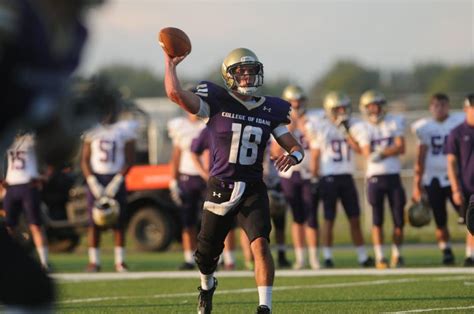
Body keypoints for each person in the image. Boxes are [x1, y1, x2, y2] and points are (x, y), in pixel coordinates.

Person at [164, 47, 304, 314]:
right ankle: (207, 286)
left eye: (251, 71)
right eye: (241, 72)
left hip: (253, 187)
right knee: (206, 256)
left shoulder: (270, 109)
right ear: (229, 76)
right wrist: (170, 65)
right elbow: (174, 94)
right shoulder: (216, 102)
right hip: (221, 186)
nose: (248, 77)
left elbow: (294, 146)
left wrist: (295, 156)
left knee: (260, 243)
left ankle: (265, 306)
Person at [0, 0, 101, 311]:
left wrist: (74, 123)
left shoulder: (76, 36)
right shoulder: (13, 19)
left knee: (34, 292)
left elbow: (53, 149)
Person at [306, 91, 374, 268]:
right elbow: (315, 154)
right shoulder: (321, 127)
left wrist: (346, 131)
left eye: (344, 107)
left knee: (354, 218)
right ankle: (327, 256)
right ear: (330, 110)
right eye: (338, 108)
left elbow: (360, 150)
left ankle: (362, 256)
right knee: (329, 218)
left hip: (347, 176)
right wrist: (314, 177)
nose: (343, 111)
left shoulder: (354, 126)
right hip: (328, 178)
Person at [81, 79, 136, 273]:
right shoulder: (92, 129)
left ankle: (120, 262)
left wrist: (118, 179)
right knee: (93, 222)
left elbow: (130, 159)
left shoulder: (124, 129)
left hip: (116, 178)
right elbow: (84, 160)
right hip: (97, 178)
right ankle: (94, 262)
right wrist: (91, 180)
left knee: (118, 222)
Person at [351, 90, 406, 269]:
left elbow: (401, 147)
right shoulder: (362, 127)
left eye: (377, 105)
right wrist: (387, 151)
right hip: (375, 178)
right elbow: (367, 153)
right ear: (365, 108)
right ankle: (380, 256)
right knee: (377, 220)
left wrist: (382, 152)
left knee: (399, 219)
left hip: (393, 175)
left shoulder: (393, 122)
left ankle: (397, 254)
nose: (374, 109)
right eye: (370, 106)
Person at [411, 93, 465, 265]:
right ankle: (446, 250)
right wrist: (416, 184)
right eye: (436, 105)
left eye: (443, 105)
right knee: (440, 220)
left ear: (448, 106)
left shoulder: (458, 122)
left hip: (455, 178)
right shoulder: (424, 127)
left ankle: (470, 253)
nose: (439, 109)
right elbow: (420, 157)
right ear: (430, 108)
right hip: (433, 179)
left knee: (468, 216)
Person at [271, 85, 320, 270]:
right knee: (297, 217)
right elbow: (275, 151)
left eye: (299, 101)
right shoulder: (280, 122)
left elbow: (317, 147)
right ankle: (300, 258)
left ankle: (314, 258)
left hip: (307, 173)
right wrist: (291, 126)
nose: (297, 105)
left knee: (312, 216)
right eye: (293, 101)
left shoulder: (313, 120)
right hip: (289, 174)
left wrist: (304, 127)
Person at [191, 126, 252, 270]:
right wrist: (204, 174)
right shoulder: (211, 127)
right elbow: (194, 151)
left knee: (240, 224)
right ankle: (216, 259)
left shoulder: (244, 124)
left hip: (243, 180)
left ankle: (234, 259)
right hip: (220, 182)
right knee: (215, 223)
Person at [2, 131, 49, 271]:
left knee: (35, 225)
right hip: (11, 186)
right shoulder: (8, 137)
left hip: (28, 185)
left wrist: (44, 176)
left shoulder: (33, 139)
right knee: (9, 227)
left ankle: (44, 263)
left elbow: (50, 157)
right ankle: (10, 261)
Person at [167, 112, 206, 270]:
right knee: (187, 220)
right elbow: (176, 156)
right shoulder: (180, 126)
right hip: (186, 176)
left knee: (215, 220)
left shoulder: (208, 124)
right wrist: (173, 180)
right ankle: (189, 258)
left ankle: (222, 257)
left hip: (207, 176)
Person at [447, 93, 474, 266]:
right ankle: (470, 255)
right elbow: (450, 162)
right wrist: (455, 188)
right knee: (472, 221)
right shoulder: (457, 132)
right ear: (466, 109)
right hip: (468, 185)